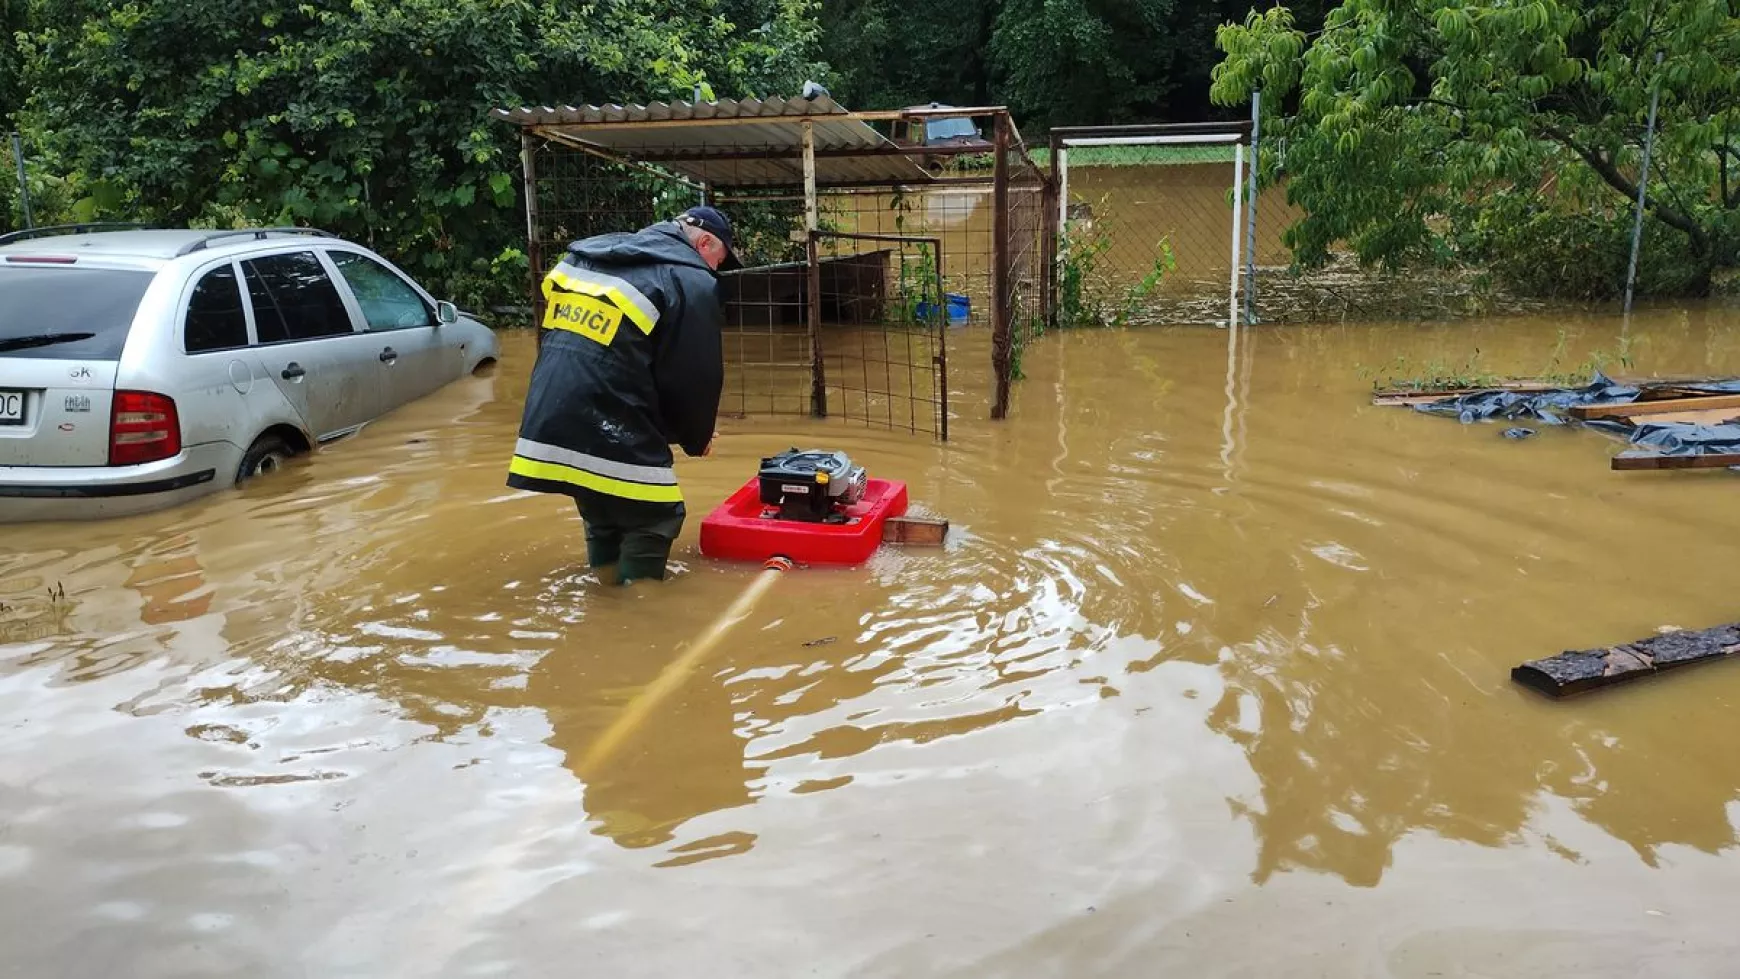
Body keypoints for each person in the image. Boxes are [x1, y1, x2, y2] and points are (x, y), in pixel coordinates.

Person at [507, 206, 740, 583]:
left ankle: (604, 589)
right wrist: (697, 438)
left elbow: (604, 351)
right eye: (719, 260)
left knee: (603, 509)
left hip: (547, 412)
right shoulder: (689, 279)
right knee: (657, 514)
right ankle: (637, 616)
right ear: (704, 242)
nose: (715, 270)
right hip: (608, 409)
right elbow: (694, 375)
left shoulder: (588, 257)